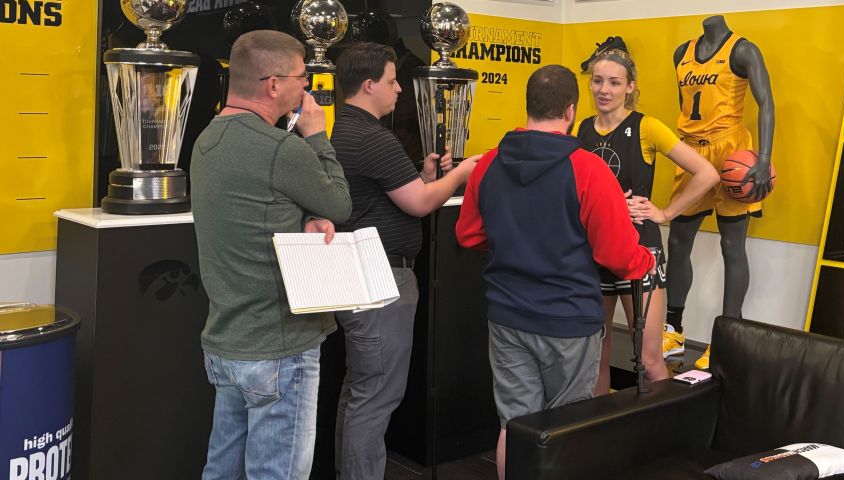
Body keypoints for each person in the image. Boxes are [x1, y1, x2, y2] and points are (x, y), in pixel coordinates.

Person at [456, 64, 656, 480]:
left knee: (515, 424)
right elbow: (618, 255)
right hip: (569, 321)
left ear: (528, 106)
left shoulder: (489, 163)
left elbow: (469, 235)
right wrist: (647, 260)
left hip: (507, 316)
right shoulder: (588, 169)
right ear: (570, 111)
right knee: (563, 428)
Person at [191, 30, 353, 480]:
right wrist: (318, 135)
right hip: (280, 346)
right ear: (273, 84)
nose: (309, 88)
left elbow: (254, 213)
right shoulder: (283, 148)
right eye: (302, 78)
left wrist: (301, 219)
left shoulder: (206, 142)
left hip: (227, 341)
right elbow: (339, 203)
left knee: (221, 470)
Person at [330, 42, 479, 480]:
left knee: (360, 391)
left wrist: (429, 175)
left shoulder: (346, 132)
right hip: (380, 276)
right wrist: (462, 173)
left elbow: (400, 193)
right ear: (370, 84)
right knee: (375, 394)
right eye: (393, 81)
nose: (399, 90)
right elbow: (417, 204)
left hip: (361, 271)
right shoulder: (373, 137)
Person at [576, 48, 718, 393]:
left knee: (650, 357)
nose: (604, 90)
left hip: (640, 250)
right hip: (594, 252)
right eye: (597, 81)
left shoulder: (646, 127)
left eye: (614, 82)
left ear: (630, 87)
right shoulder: (581, 129)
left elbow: (707, 173)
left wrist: (666, 212)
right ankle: (602, 433)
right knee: (599, 352)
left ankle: (668, 434)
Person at [644, 15, 774, 370]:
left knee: (732, 246)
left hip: (730, 149)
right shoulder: (680, 53)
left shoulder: (742, 49)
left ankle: (727, 337)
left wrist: (764, 157)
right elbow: (684, 106)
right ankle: (673, 327)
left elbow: (767, 103)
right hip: (691, 152)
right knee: (677, 242)